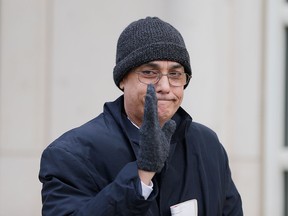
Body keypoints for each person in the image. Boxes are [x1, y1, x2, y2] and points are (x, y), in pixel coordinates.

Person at [39, 16, 243, 215]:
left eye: (175, 74)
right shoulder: (71, 154)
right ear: (122, 80)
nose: (164, 86)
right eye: (149, 72)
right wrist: (141, 176)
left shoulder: (207, 145)